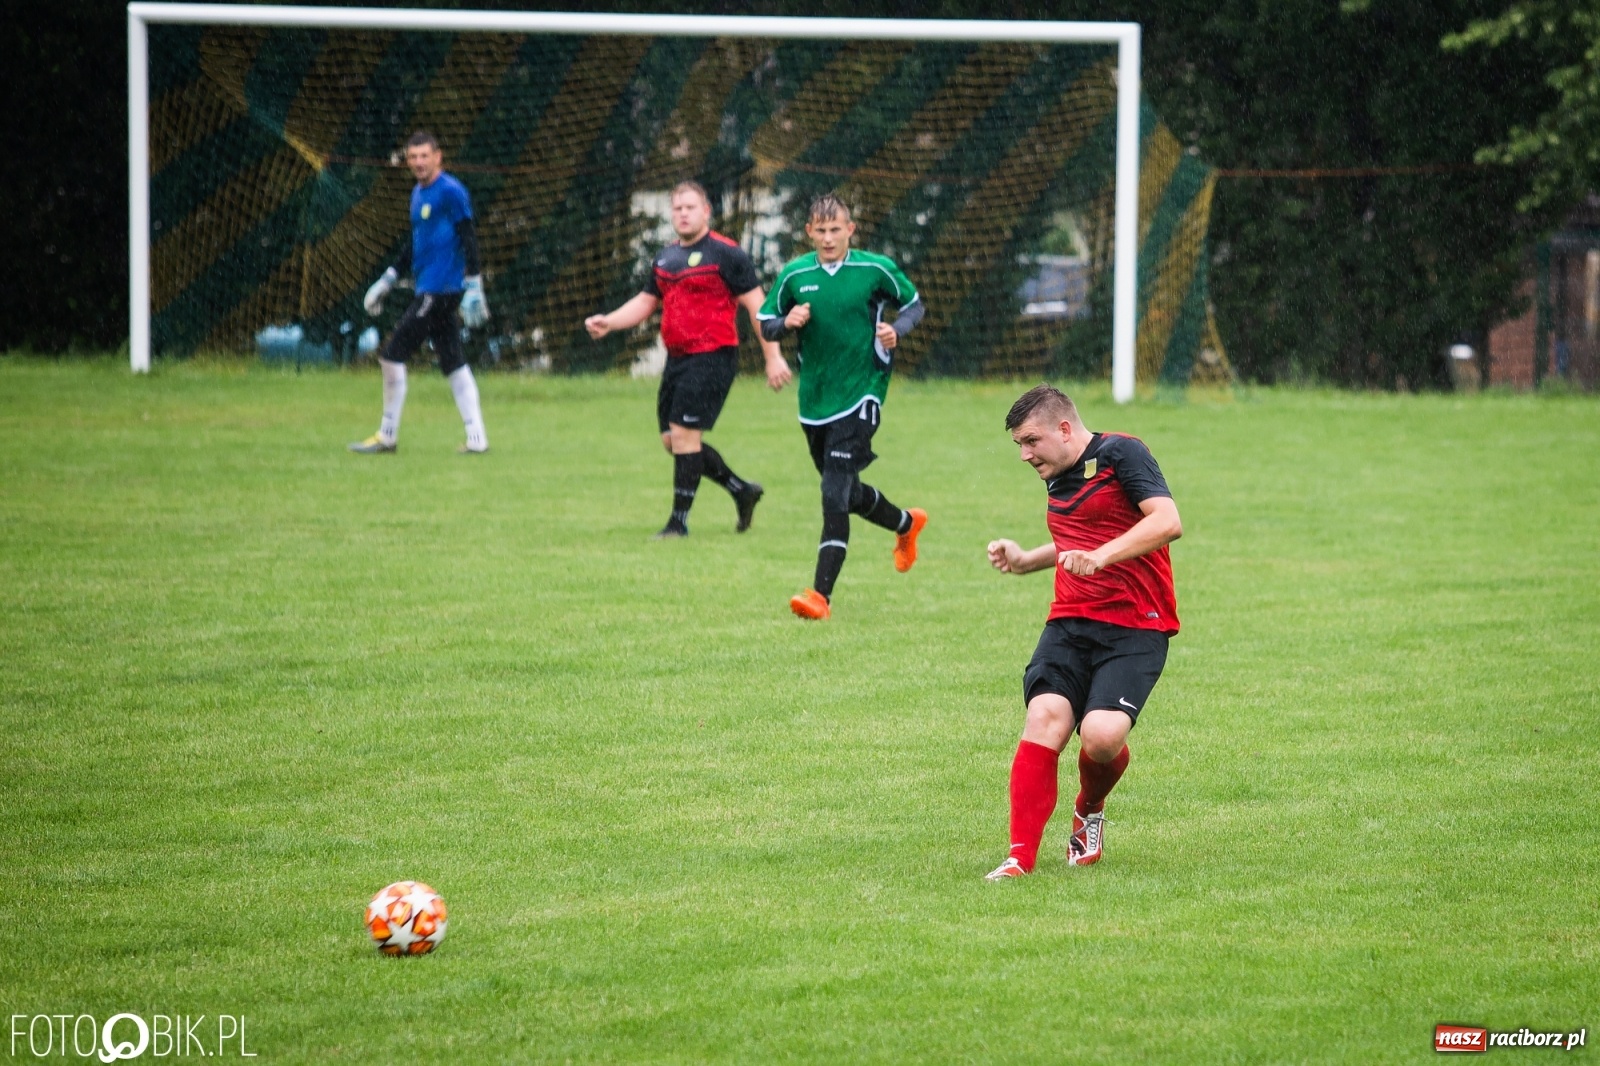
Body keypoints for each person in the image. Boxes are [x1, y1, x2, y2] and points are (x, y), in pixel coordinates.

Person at [982, 384, 1183, 878]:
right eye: (1019, 446)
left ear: (1065, 429)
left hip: (1138, 622)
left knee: (1101, 736)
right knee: (1046, 715)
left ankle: (1088, 809)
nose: (1025, 455)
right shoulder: (1059, 473)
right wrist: (1028, 559)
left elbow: (1168, 521)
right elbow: (1078, 537)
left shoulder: (1122, 454)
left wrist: (1102, 557)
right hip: (1071, 621)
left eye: (1031, 441)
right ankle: (1019, 859)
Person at [585, 181, 791, 538]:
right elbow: (646, 302)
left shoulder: (727, 255)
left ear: (706, 212)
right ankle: (741, 490)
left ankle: (678, 524)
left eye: (690, 207)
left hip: (713, 355)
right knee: (672, 441)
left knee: (683, 436)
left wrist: (773, 357)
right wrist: (609, 322)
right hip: (677, 359)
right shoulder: (666, 257)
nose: (683, 213)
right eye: (677, 208)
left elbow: (759, 306)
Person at [758, 194, 927, 621]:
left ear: (850, 230)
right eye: (821, 230)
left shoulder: (873, 269)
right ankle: (906, 524)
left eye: (837, 229)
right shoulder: (796, 274)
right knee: (846, 492)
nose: (829, 237)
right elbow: (765, 321)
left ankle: (820, 596)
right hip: (814, 401)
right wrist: (787, 322)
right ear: (809, 232)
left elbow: (914, 304)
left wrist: (896, 330)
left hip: (863, 391)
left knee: (832, 494)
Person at [350, 130, 490, 455]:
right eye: (413, 157)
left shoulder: (451, 191)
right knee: (453, 361)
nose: (418, 163)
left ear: (438, 156)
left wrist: (474, 284)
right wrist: (387, 279)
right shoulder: (417, 194)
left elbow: (469, 237)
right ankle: (477, 438)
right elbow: (415, 244)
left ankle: (387, 435)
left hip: (440, 291)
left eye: (424, 156)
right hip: (430, 288)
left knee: (391, 354)